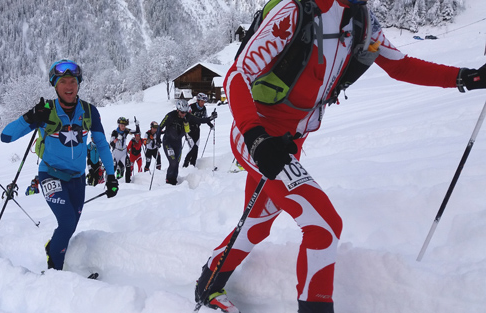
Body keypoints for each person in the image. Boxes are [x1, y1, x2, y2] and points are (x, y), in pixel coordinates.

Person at [194, 1, 486, 313]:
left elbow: (400, 66)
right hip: (257, 135)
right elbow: (239, 73)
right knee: (323, 224)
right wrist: (255, 137)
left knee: (259, 220)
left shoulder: (362, 20)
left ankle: (208, 285)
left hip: (289, 141)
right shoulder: (296, 12)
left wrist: (466, 78)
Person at [0, 59, 119, 271]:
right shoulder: (46, 112)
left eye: (73, 80)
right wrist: (30, 117)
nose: (69, 86)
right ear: (55, 85)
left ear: (79, 83)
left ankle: (52, 247)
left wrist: (111, 176)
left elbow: (101, 144)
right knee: (66, 221)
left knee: (71, 224)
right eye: (63, 81)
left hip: (77, 178)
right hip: (50, 175)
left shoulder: (89, 112)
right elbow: (6, 137)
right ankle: (55, 270)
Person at [157, 99, 217, 185]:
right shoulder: (170, 115)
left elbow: (200, 120)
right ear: (177, 110)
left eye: (185, 112)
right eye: (182, 112)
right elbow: (160, 127)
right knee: (173, 162)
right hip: (168, 141)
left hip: (177, 143)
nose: (183, 114)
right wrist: (158, 139)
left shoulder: (187, 116)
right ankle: (169, 180)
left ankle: (174, 180)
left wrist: (211, 118)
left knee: (176, 163)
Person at [183, 93, 215, 168]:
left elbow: (205, 118)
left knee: (196, 148)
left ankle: (192, 165)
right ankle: (185, 165)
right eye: (202, 101)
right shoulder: (191, 107)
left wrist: (210, 125)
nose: (203, 103)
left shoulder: (204, 109)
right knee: (192, 147)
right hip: (189, 129)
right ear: (198, 100)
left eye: (204, 102)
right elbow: (186, 117)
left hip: (197, 129)